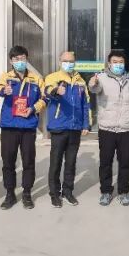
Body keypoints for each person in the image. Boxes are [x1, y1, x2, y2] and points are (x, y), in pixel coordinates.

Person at [88, 49, 129, 206]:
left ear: (124, 63)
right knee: (105, 162)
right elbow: (94, 88)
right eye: (115, 62)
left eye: (120, 62)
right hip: (107, 128)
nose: (118, 65)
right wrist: (92, 83)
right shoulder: (101, 78)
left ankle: (123, 192)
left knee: (125, 162)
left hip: (125, 129)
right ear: (109, 63)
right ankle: (106, 191)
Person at [0, 45, 46, 210]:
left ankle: (27, 193)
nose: (20, 61)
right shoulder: (6, 77)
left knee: (28, 161)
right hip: (9, 125)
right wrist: (4, 90)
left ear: (27, 59)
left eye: (22, 58)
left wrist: (34, 108)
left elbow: (45, 98)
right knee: (8, 161)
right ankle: (10, 194)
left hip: (28, 126)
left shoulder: (36, 78)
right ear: (11, 61)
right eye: (16, 59)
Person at [43, 51, 91, 208]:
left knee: (71, 163)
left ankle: (68, 192)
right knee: (55, 162)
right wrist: (56, 90)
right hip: (59, 126)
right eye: (65, 61)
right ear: (60, 61)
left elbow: (85, 103)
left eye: (71, 61)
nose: (68, 64)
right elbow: (47, 91)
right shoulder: (53, 77)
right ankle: (54, 194)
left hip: (75, 127)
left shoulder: (80, 81)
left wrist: (85, 124)